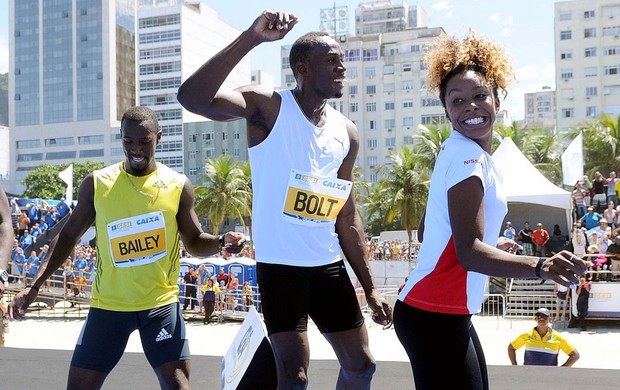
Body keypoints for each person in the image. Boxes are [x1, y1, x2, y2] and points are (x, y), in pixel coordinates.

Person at [177, 11, 392, 389]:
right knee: (293, 379)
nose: (342, 67)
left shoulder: (348, 133)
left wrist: (370, 287)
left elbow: (348, 218)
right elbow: (192, 97)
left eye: (344, 60)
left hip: (327, 266)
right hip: (280, 270)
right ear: (302, 69)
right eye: (332, 60)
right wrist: (251, 38)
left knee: (362, 366)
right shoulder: (268, 107)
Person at [390, 31, 589, 390]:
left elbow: (427, 231)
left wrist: (491, 245)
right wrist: (541, 266)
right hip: (434, 312)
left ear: (498, 98)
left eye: (480, 95)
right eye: (457, 101)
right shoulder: (468, 157)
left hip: (437, 311)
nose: (470, 106)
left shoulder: (463, 154)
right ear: (446, 109)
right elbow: (467, 253)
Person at [9, 106, 245, 389]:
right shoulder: (97, 184)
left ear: (158, 138)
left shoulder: (177, 185)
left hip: (159, 306)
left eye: (144, 141)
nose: (136, 149)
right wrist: (34, 286)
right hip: (109, 307)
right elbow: (68, 237)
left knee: (178, 386)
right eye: (127, 141)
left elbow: (194, 241)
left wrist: (221, 243)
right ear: (120, 138)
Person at [508, 308, 579, 367]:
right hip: (528, 376)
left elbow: (575, 355)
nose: (541, 318)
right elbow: (511, 348)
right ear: (535, 319)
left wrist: (561, 370)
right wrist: (515, 367)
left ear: (550, 319)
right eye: (539, 316)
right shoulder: (527, 335)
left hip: (548, 378)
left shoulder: (557, 337)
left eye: (544, 316)